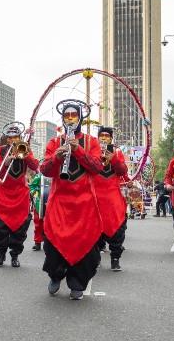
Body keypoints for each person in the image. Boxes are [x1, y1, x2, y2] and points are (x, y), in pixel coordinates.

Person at [40, 100, 103, 300]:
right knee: (53, 243)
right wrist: (56, 158)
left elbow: (97, 167)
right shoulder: (53, 142)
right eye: (66, 116)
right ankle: (55, 275)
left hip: (84, 204)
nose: (69, 119)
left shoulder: (92, 142)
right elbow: (44, 170)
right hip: (60, 203)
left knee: (85, 243)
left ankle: (77, 282)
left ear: (79, 118)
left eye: (73, 115)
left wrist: (78, 150)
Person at [0, 123, 39, 268]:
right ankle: (1, 253)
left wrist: (25, 155)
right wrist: (5, 162)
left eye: (16, 137)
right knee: (0, 227)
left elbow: (35, 166)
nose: (13, 140)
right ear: (6, 138)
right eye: (10, 137)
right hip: (2, 194)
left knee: (20, 229)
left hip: (20, 195)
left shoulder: (25, 148)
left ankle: (15, 255)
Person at [93, 127, 128, 271]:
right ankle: (94, 259)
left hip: (112, 196)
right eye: (101, 135)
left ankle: (115, 259)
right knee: (93, 230)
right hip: (94, 195)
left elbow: (123, 171)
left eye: (107, 136)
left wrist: (113, 159)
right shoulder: (92, 150)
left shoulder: (118, 152)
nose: (104, 138)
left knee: (117, 227)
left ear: (111, 139)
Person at [28, 172, 48, 251]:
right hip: (40, 203)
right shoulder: (39, 176)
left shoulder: (56, 174)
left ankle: (49, 243)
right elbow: (32, 187)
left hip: (53, 203)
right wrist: (37, 196)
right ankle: (37, 242)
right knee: (38, 224)